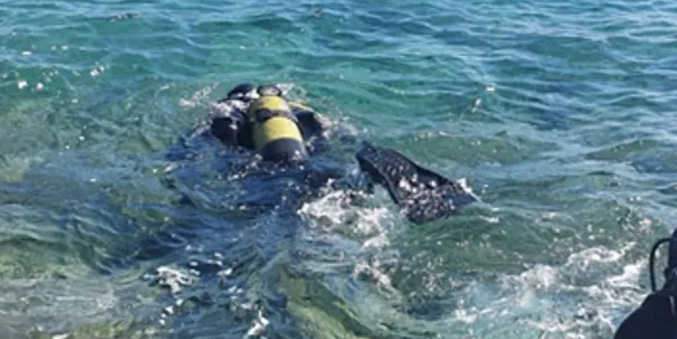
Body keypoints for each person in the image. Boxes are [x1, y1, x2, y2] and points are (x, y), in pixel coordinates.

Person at [200, 82, 474, 224]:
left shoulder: (229, 113)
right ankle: (370, 161)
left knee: (291, 210)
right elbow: (329, 131)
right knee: (338, 173)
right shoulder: (296, 110)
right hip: (318, 158)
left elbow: (224, 144)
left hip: (272, 174)